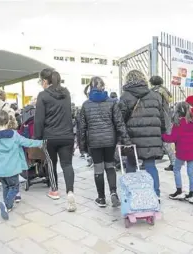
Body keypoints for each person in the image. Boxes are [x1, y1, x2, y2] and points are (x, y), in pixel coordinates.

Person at [80, 77, 130, 207]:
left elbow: (82, 128)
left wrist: (82, 147)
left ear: (91, 87)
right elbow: (119, 123)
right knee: (110, 166)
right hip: (109, 140)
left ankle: (101, 198)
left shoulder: (86, 104)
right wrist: (126, 140)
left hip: (94, 141)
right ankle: (113, 193)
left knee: (98, 168)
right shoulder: (112, 102)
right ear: (103, 87)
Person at [0, 110, 43, 220]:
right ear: (8, 122)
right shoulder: (14, 135)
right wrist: (40, 143)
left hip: (0, 171)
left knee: (5, 186)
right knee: (14, 187)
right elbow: (27, 142)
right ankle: (6, 204)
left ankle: (9, 207)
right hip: (12, 169)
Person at [118, 70, 166, 201]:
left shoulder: (125, 96)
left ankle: (131, 193)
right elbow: (161, 117)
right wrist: (162, 133)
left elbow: (120, 119)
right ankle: (156, 194)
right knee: (150, 165)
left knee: (131, 164)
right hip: (152, 137)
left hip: (133, 137)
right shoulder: (155, 96)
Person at [34, 69, 77, 212]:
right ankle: (70, 192)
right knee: (67, 164)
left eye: (41, 81)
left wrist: (37, 138)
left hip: (50, 136)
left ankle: (54, 190)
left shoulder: (43, 95)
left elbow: (39, 119)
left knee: (51, 163)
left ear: (45, 81)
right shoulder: (66, 93)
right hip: (67, 136)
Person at [162, 102, 193, 204]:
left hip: (181, 152)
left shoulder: (178, 124)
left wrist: (162, 136)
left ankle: (179, 190)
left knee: (176, 169)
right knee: (191, 173)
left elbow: (172, 138)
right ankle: (192, 194)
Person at [149, 75, 176, 171]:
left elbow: (156, 106)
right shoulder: (165, 90)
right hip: (167, 118)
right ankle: (173, 161)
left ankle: (174, 162)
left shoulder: (156, 92)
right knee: (167, 141)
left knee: (165, 142)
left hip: (161, 119)